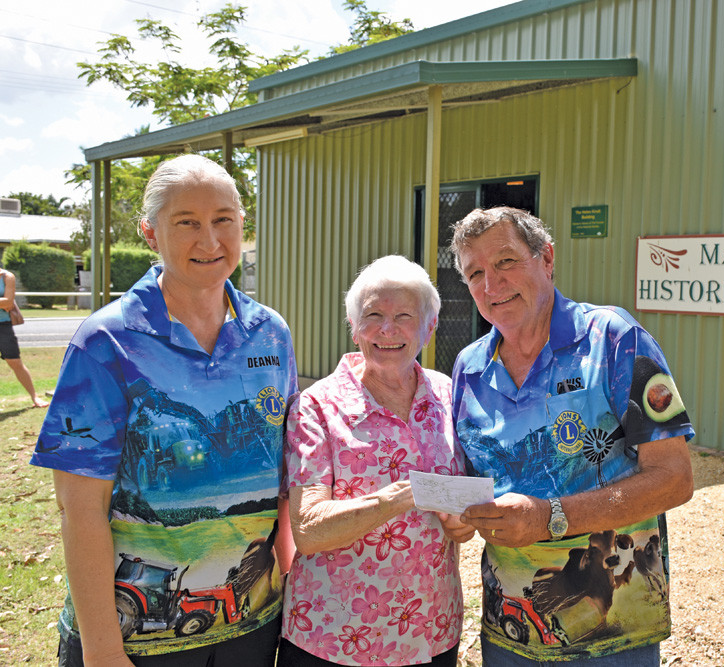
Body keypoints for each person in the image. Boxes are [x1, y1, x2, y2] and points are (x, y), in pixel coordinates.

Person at [31, 154, 298, 667]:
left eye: (223, 220)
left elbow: (282, 475)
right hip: (134, 644)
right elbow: (80, 509)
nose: (210, 240)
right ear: (150, 232)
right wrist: (104, 651)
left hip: (251, 627)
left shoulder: (271, 333)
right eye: (187, 223)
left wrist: (283, 582)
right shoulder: (106, 342)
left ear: (244, 224)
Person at [448, 207, 695, 665]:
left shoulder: (615, 339)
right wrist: (460, 516)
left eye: (505, 262)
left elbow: (675, 478)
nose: (491, 285)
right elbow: (470, 484)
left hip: (611, 637)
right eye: (474, 273)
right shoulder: (469, 368)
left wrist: (551, 517)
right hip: (510, 631)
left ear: (547, 258)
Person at [279, 255, 470, 667]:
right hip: (334, 638)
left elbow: (460, 527)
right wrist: (401, 497)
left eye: (404, 315)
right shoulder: (317, 407)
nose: (388, 329)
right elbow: (309, 530)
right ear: (354, 327)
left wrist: (461, 521)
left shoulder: (448, 395)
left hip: (431, 633)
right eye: (373, 315)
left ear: (429, 326)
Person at [0, 264, 49, 408]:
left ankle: (35, 398)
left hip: (3, 325)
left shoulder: (7, 277)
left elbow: (8, 302)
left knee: (15, 362)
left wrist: (4, 303)